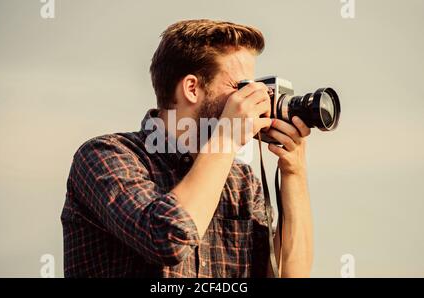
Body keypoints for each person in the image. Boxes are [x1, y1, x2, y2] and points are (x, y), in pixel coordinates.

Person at [61, 19, 313, 277]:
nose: (247, 100)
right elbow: (168, 238)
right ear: (192, 88)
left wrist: (294, 172)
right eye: (240, 87)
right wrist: (226, 138)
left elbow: (288, 275)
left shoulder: (242, 183)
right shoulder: (106, 156)